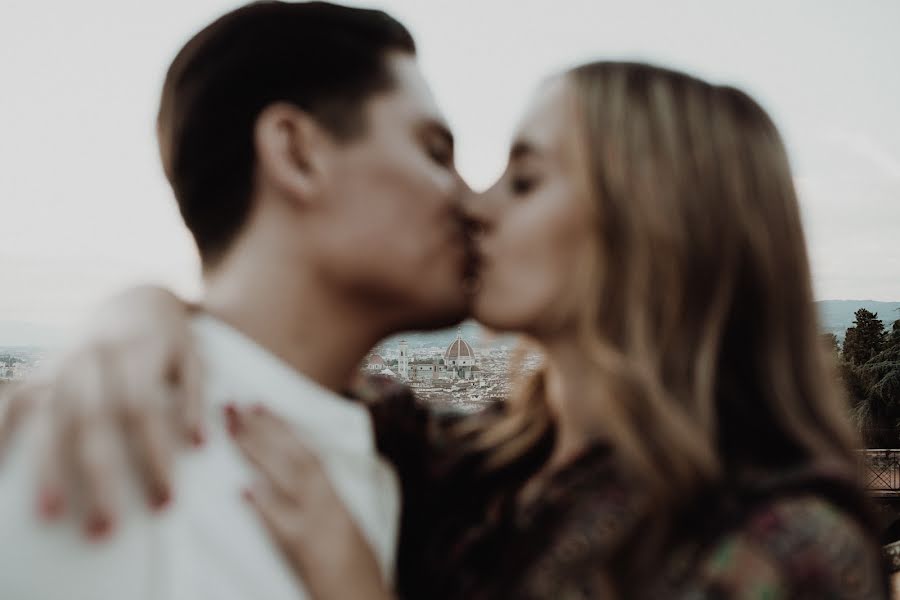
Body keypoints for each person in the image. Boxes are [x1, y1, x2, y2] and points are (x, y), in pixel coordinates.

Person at [3, 31, 889, 600]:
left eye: (525, 181)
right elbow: (274, 358)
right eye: (444, 155)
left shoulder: (786, 552)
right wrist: (137, 313)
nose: (475, 206)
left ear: (654, 227)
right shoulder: (475, 468)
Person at [0, 2, 475, 599]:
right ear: (296, 154)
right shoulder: (95, 454)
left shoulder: (386, 460)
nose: (471, 202)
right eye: (435, 152)